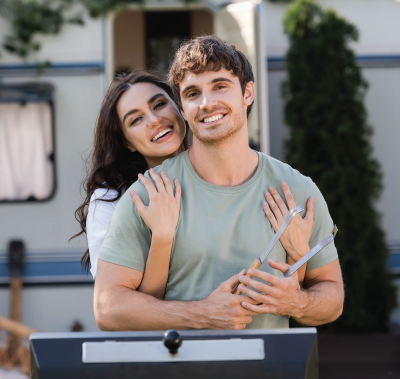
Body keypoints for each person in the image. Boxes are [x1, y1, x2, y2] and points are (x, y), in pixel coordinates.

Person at [95, 36, 344, 331]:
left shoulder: (297, 191)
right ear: (182, 109)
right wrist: (202, 314)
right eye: (192, 93)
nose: (207, 103)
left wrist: (297, 303)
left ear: (247, 93)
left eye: (220, 86)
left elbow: (333, 298)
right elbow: (108, 309)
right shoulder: (148, 195)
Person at [73, 70, 310, 300]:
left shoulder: (231, 179)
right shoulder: (114, 199)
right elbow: (127, 307)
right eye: (136, 119)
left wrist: (299, 252)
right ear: (126, 142)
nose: (155, 120)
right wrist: (162, 236)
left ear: (180, 108)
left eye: (158, 105)